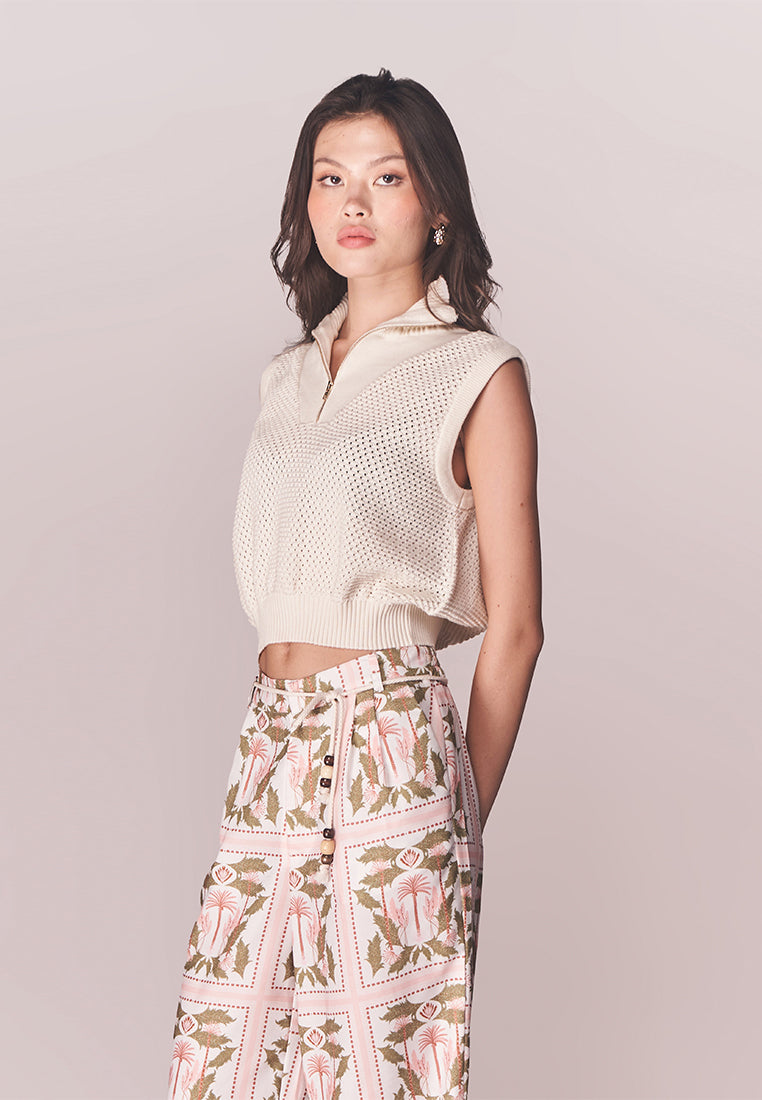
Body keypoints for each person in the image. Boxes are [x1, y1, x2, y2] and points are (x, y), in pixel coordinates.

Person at [167, 68, 543, 1100]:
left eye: (387, 176)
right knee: (223, 1059)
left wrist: (458, 813)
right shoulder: (287, 376)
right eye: (330, 178)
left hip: (393, 742)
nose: (353, 203)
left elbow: (516, 627)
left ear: (438, 200)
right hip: (270, 740)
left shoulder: (477, 371)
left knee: (384, 1073)